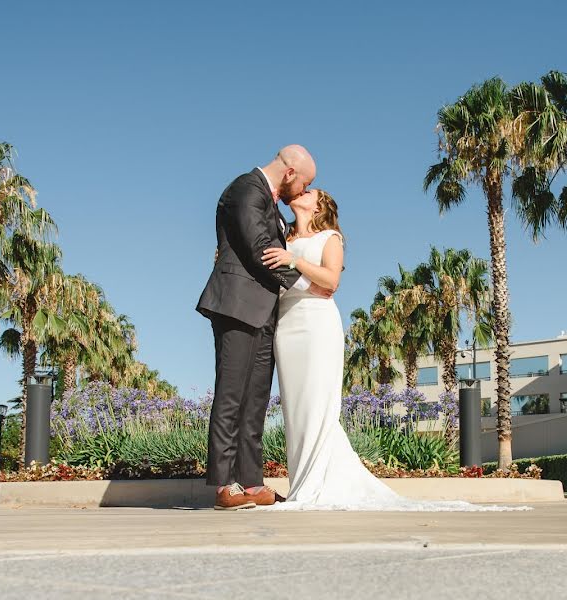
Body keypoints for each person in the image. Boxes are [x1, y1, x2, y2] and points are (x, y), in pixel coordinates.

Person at [262, 190, 503, 511]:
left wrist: (295, 260)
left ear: (319, 205)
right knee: (296, 409)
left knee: (318, 405)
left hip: (317, 326)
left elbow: (330, 282)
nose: (301, 192)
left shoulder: (329, 238)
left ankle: (314, 486)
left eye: (309, 191)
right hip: (286, 325)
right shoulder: (283, 234)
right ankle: (302, 485)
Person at [196, 145, 331, 510]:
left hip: (265, 312)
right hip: (237, 307)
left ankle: (252, 482)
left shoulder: (270, 203)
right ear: (290, 173)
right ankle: (225, 485)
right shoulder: (246, 188)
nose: (302, 191)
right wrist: (310, 287)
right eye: (304, 183)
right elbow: (259, 250)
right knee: (231, 395)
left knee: (255, 401)